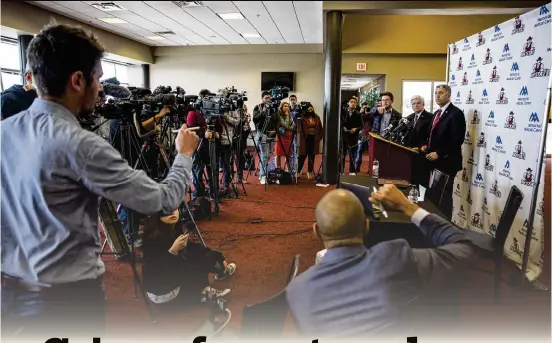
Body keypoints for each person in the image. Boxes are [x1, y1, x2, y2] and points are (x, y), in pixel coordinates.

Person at [0, 24, 199, 339]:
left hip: (8, 298)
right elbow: (163, 200)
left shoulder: (5, 131)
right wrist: (184, 154)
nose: (101, 88)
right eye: (98, 78)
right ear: (78, 81)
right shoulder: (81, 145)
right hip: (67, 301)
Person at [286, 185, 474, 338]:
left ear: (316, 231)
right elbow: (466, 250)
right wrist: (408, 207)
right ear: (366, 227)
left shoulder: (297, 291)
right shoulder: (396, 259)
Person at [142, 209, 236, 306]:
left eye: (175, 208)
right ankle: (203, 292)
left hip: (171, 282)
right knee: (200, 262)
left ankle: (218, 273)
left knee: (206, 256)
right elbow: (156, 271)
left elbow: (191, 247)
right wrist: (173, 251)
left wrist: (217, 256)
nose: (172, 213)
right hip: (165, 293)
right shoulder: (153, 238)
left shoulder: (171, 228)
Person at [421, 84, 466, 219]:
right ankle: (433, 221)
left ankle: (445, 224)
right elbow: (431, 135)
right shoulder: (437, 113)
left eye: (440, 93)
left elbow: (457, 140)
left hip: (447, 162)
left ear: (448, 95)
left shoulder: (456, 114)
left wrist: (439, 153)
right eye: (435, 93)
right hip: (432, 161)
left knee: (444, 196)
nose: (437, 96)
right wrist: (425, 146)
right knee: (433, 195)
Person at [187, 89, 223, 198]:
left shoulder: (214, 111)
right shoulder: (193, 112)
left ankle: (214, 193)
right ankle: (199, 194)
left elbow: (219, 127)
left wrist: (217, 134)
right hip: (198, 147)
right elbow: (190, 130)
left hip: (212, 146)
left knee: (213, 170)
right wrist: (203, 134)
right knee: (198, 171)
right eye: (207, 98)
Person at [253, 91, 278, 184]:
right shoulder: (258, 107)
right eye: (266, 98)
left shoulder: (274, 108)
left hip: (272, 134)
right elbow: (255, 119)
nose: (268, 100)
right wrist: (264, 111)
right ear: (262, 98)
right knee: (264, 155)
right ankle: (263, 175)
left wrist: (275, 130)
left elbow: (277, 120)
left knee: (269, 154)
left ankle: (265, 173)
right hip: (262, 133)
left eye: (269, 98)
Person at [297, 104, 324, 179]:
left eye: (311, 109)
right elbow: (298, 129)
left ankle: (309, 172)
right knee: (302, 156)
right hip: (304, 140)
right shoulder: (301, 118)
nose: (310, 111)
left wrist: (318, 138)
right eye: (308, 110)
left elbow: (321, 129)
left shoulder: (317, 118)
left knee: (312, 157)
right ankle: (298, 172)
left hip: (314, 140)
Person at [341, 97, 362, 174]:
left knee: (353, 156)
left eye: (354, 102)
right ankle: (341, 171)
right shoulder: (343, 113)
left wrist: (356, 129)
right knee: (342, 156)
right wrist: (343, 127)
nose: (353, 103)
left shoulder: (358, 114)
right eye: (351, 102)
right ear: (348, 103)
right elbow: (340, 123)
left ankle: (352, 171)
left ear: (356, 104)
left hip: (353, 138)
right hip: (343, 137)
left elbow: (361, 126)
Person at [274, 101, 295, 170]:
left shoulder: (290, 115)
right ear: (281, 107)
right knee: (278, 154)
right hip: (281, 137)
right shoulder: (279, 115)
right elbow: (284, 124)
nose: (286, 107)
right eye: (285, 106)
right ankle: (278, 169)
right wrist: (289, 127)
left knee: (288, 154)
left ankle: (288, 169)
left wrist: (290, 127)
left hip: (288, 137)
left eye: (288, 106)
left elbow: (293, 125)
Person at [355, 102, 374, 173]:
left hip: (370, 135)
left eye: (367, 108)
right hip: (363, 135)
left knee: (371, 153)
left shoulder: (371, 115)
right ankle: (357, 168)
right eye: (364, 108)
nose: (366, 109)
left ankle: (370, 170)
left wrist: (367, 112)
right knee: (359, 152)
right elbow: (359, 119)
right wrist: (361, 112)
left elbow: (371, 118)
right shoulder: (360, 115)